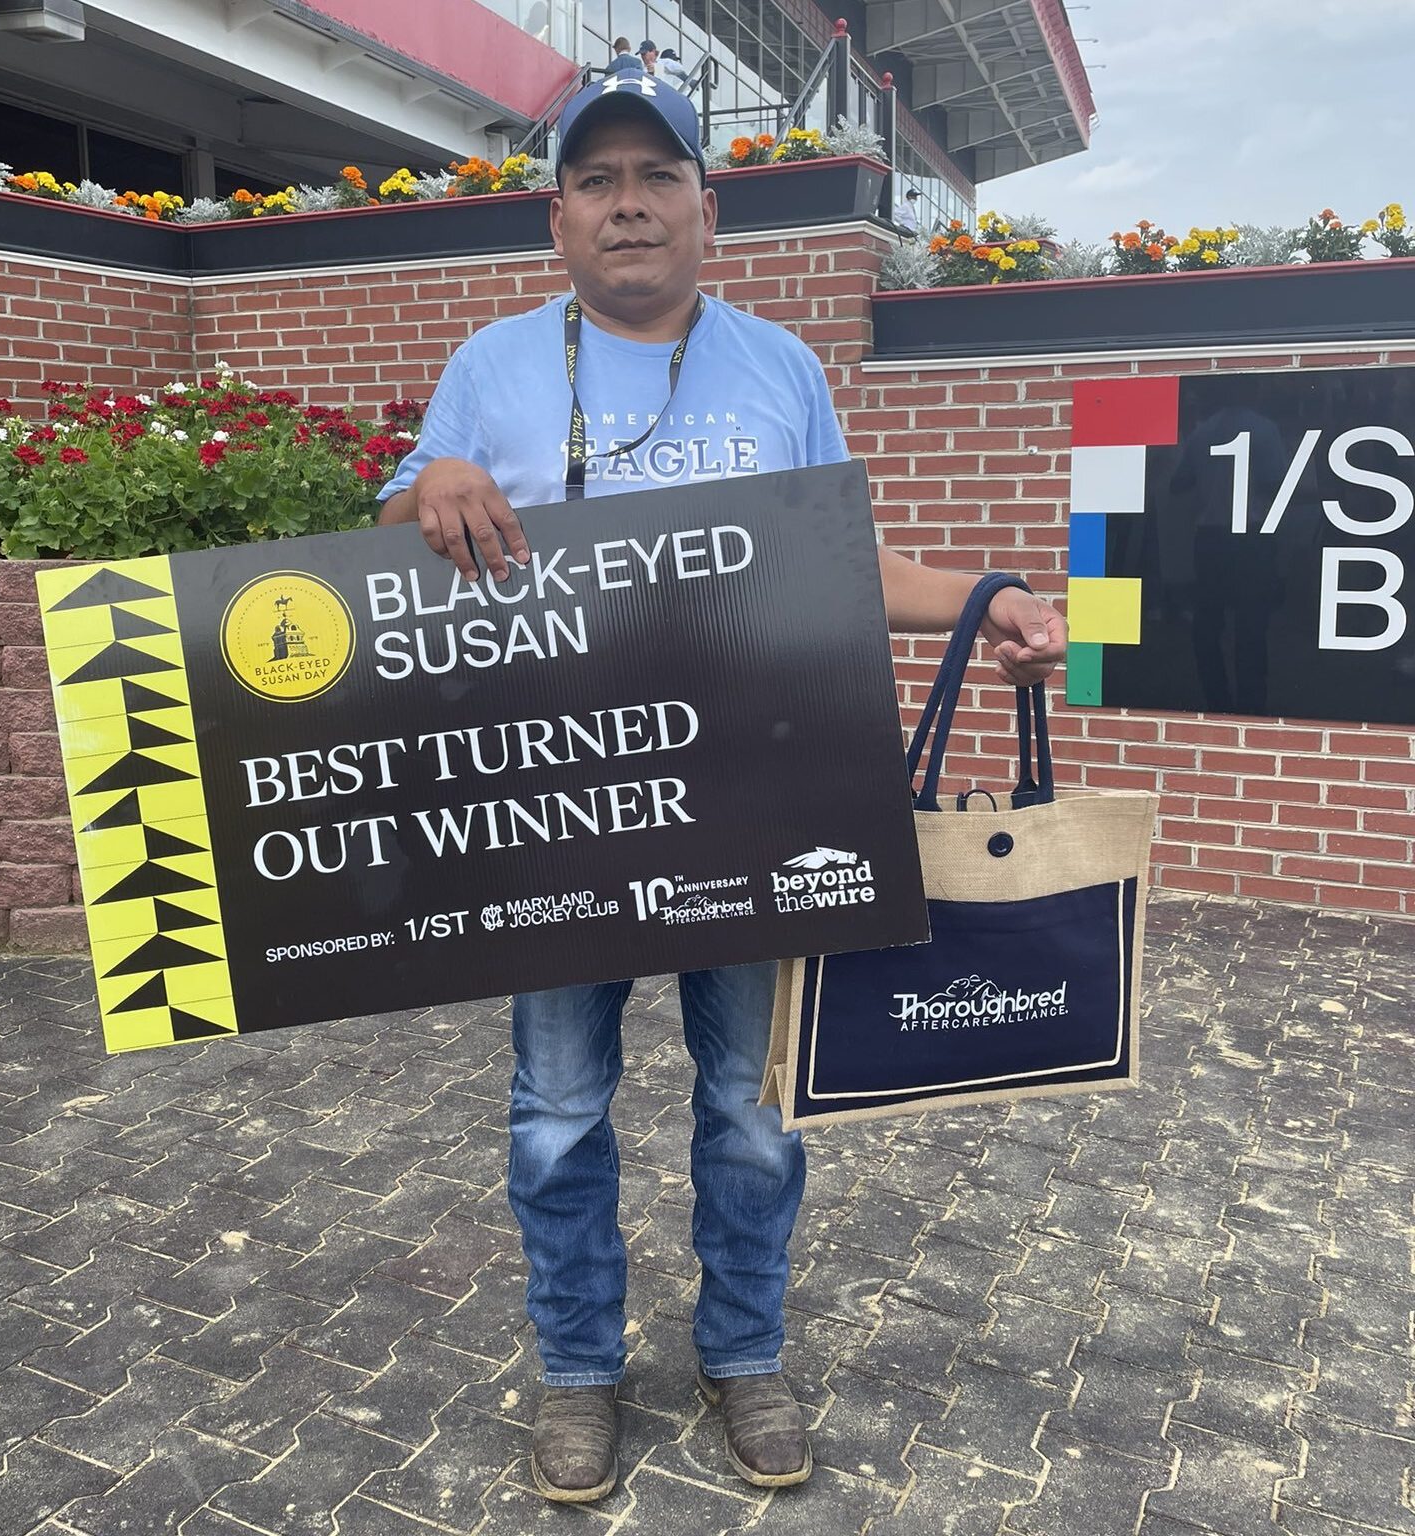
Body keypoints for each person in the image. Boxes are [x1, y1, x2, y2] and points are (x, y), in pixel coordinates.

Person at [376, 73, 1066, 1505]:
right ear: (558, 218)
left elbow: (840, 565)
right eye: (596, 179)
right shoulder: (493, 366)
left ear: (709, 209)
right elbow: (395, 541)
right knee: (556, 1113)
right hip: (559, 813)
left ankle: (743, 1353)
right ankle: (578, 1371)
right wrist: (423, 487)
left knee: (753, 1112)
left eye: (657, 176)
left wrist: (983, 597)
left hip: (756, 809)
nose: (627, 202)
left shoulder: (781, 368)